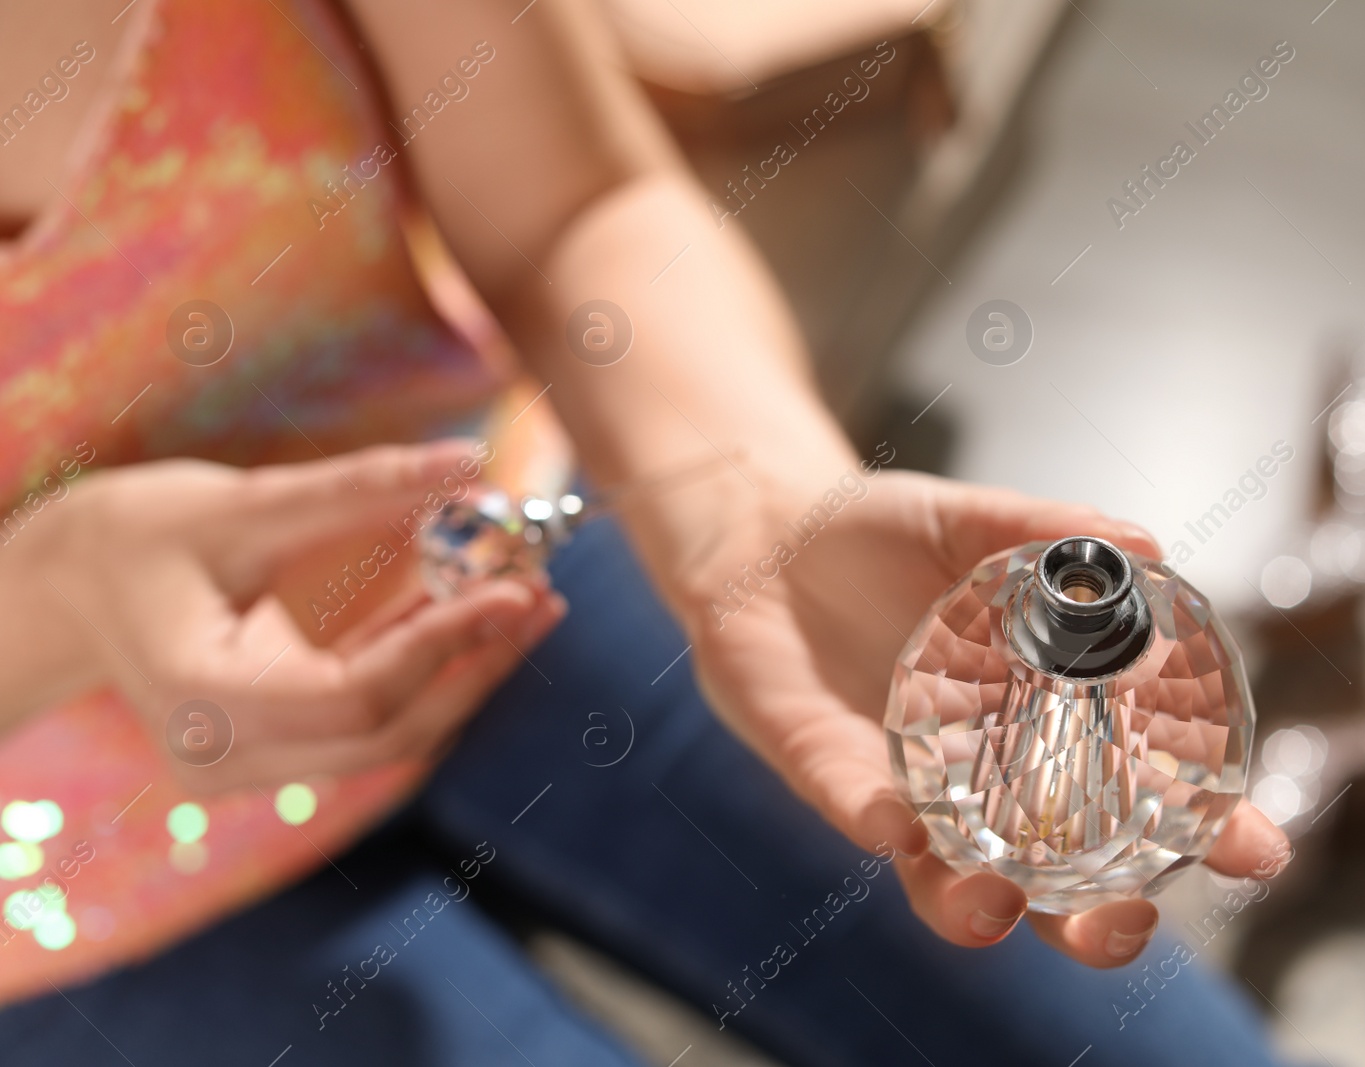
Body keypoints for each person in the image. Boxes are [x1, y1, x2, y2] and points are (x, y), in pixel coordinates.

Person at [0, 0, 1292, 1062]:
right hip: (58, 884)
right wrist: (62, 596)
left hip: (491, 561)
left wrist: (758, 501)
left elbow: (576, 201)